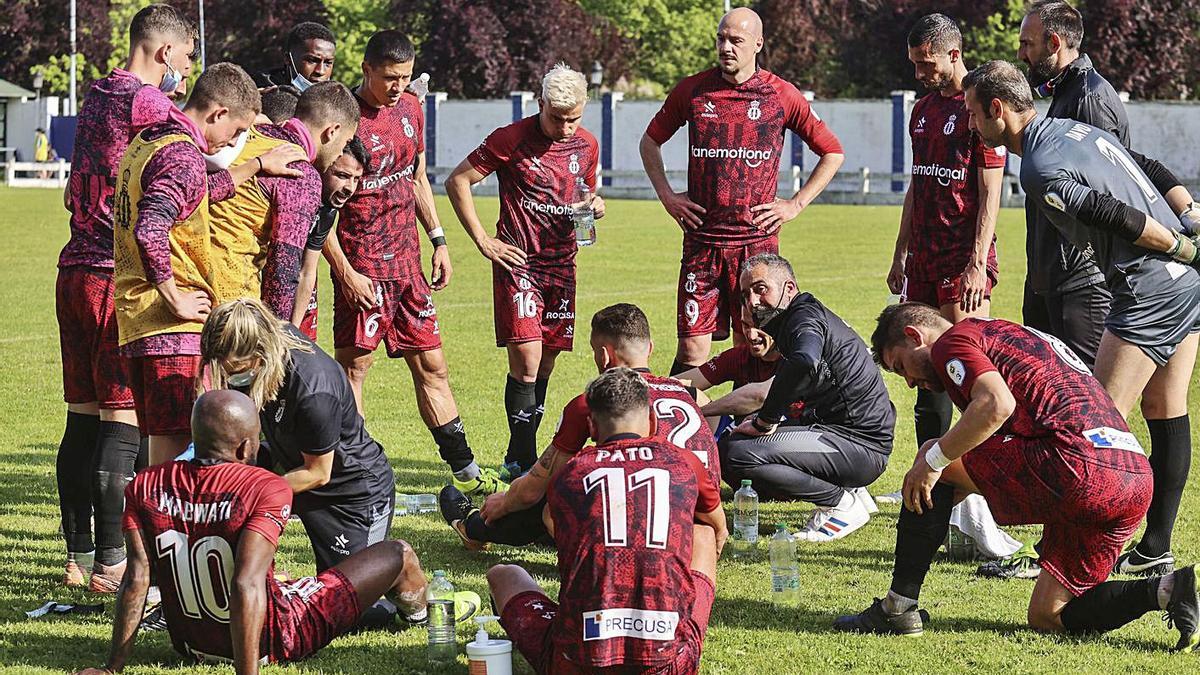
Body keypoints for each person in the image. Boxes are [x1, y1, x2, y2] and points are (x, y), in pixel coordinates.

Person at [835, 304, 1197, 652]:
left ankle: (897, 609)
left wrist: (934, 462)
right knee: (1047, 615)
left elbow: (995, 404)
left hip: (1078, 466)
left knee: (934, 459)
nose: (911, 382)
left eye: (901, 367)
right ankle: (1169, 589)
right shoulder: (1010, 334)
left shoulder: (952, 341)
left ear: (915, 335)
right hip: (1132, 477)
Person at [963, 60, 1200, 577]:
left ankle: (1060, 559)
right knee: (1165, 407)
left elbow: (1113, 215)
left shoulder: (1039, 167)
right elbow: (1151, 167)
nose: (971, 125)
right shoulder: (1073, 127)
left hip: (1150, 287)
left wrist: (1184, 247)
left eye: (973, 114)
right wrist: (1191, 214)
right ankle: (1155, 546)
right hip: (1185, 292)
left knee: (1088, 434)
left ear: (998, 111)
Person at [74, 390, 455, 675]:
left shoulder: (146, 483)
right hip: (271, 639)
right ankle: (422, 616)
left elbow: (137, 578)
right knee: (398, 553)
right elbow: (246, 584)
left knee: (280, 580)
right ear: (245, 446)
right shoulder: (261, 485)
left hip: (191, 644)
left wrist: (112, 669)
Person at [54, 3, 197, 592]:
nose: (185, 71)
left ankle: (78, 555)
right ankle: (113, 561)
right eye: (186, 58)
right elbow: (198, 155)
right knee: (122, 418)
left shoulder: (94, 96)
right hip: (117, 276)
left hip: (73, 272)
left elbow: (75, 188)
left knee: (82, 417)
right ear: (164, 52)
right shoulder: (150, 104)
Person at [328, 30, 499, 494]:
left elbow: (418, 177)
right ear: (366, 70)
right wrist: (345, 273)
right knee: (354, 372)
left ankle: (467, 473)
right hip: (363, 270)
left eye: (404, 77)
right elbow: (320, 209)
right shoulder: (341, 120)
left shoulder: (411, 110)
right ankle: (353, 475)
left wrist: (439, 239)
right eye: (389, 78)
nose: (398, 86)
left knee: (433, 367)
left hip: (409, 269)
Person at [111, 63, 304, 465]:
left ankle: (152, 525)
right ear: (216, 113)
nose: (235, 142)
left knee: (160, 451)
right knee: (174, 458)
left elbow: (192, 196)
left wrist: (254, 166)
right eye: (236, 131)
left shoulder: (153, 137)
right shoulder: (182, 154)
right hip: (173, 325)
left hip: (138, 319)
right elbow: (150, 229)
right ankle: (162, 527)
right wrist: (175, 296)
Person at [640, 7, 845, 375]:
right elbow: (649, 142)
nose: (726, 47)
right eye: (721, 38)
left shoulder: (780, 94)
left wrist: (795, 204)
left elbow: (832, 151)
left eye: (736, 40)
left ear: (758, 44)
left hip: (757, 247)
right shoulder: (693, 90)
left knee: (755, 345)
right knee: (691, 349)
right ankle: (676, 429)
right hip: (702, 241)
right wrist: (668, 197)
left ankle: (744, 431)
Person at [486, 367, 727, 674]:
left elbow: (553, 523)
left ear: (592, 427)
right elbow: (717, 528)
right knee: (703, 533)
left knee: (503, 574)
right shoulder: (684, 462)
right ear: (653, 421)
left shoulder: (572, 473)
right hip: (666, 663)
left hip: (578, 661)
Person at [439, 303, 720, 550]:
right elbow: (711, 417)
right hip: (698, 522)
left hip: (641, 525)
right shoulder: (688, 392)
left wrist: (504, 501)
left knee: (553, 498)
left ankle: (473, 526)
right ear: (650, 349)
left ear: (604, 356)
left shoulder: (599, 400)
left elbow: (532, 490)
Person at [1017, 0, 1200, 371]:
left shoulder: (1088, 98)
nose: (1021, 54)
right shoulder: (1067, 93)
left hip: (1080, 278)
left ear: (1054, 43)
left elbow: (1120, 184)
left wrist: (1185, 223)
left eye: (1027, 44)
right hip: (1054, 271)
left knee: (1094, 405)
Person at [445, 62, 603, 481]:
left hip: (562, 266)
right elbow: (458, 180)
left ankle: (522, 457)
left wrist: (595, 206)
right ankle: (521, 456)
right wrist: (483, 239)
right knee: (528, 360)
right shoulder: (510, 139)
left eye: (574, 118)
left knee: (547, 362)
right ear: (540, 104)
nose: (567, 128)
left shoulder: (587, 145)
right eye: (557, 118)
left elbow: (588, 191)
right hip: (519, 263)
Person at [199, 298, 397, 582]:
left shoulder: (314, 389)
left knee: (348, 605)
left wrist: (251, 492)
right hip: (291, 457)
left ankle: (413, 588)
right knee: (223, 476)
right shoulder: (265, 338)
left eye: (235, 370)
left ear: (261, 352)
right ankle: (252, 575)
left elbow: (318, 472)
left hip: (349, 493)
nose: (229, 378)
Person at [888, 14, 1005, 453]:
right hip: (923, 258)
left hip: (961, 262)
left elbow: (990, 193)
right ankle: (931, 473)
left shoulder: (980, 108)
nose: (920, 74)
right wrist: (901, 252)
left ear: (953, 54)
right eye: (915, 65)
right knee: (925, 371)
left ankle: (979, 485)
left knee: (971, 369)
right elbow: (919, 184)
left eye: (926, 63)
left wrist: (977, 264)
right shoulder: (922, 111)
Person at [722, 253, 894, 541]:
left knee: (735, 453)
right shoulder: (803, 315)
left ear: (789, 288)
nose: (752, 302)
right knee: (741, 439)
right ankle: (853, 492)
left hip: (861, 447)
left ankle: (841, 504)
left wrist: (766, 420)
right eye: (745, 294)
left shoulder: (803, 317)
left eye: (761, 289)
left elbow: (804, 361)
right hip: (851, 438)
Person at [207, 81, 359, 322]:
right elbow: (283, 270)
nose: (341, 153)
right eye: (345, 143)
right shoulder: (300, 173)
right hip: (228, 302)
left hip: (185, 280)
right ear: (332, 132)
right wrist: (277, 337)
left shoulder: (244, 135)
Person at [291, 137, 368, 341]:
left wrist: (293, 331)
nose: (350, 188)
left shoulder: (327, 212)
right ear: (322, 165)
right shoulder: (293, 194)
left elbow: (307, 272)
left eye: (356, 179)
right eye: (342, 176)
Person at [253, 21, 336, 91]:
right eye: (312, 60)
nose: (320, 71)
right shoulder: (261, 93)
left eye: (327, 63)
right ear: (288, 59)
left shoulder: (337, 100)